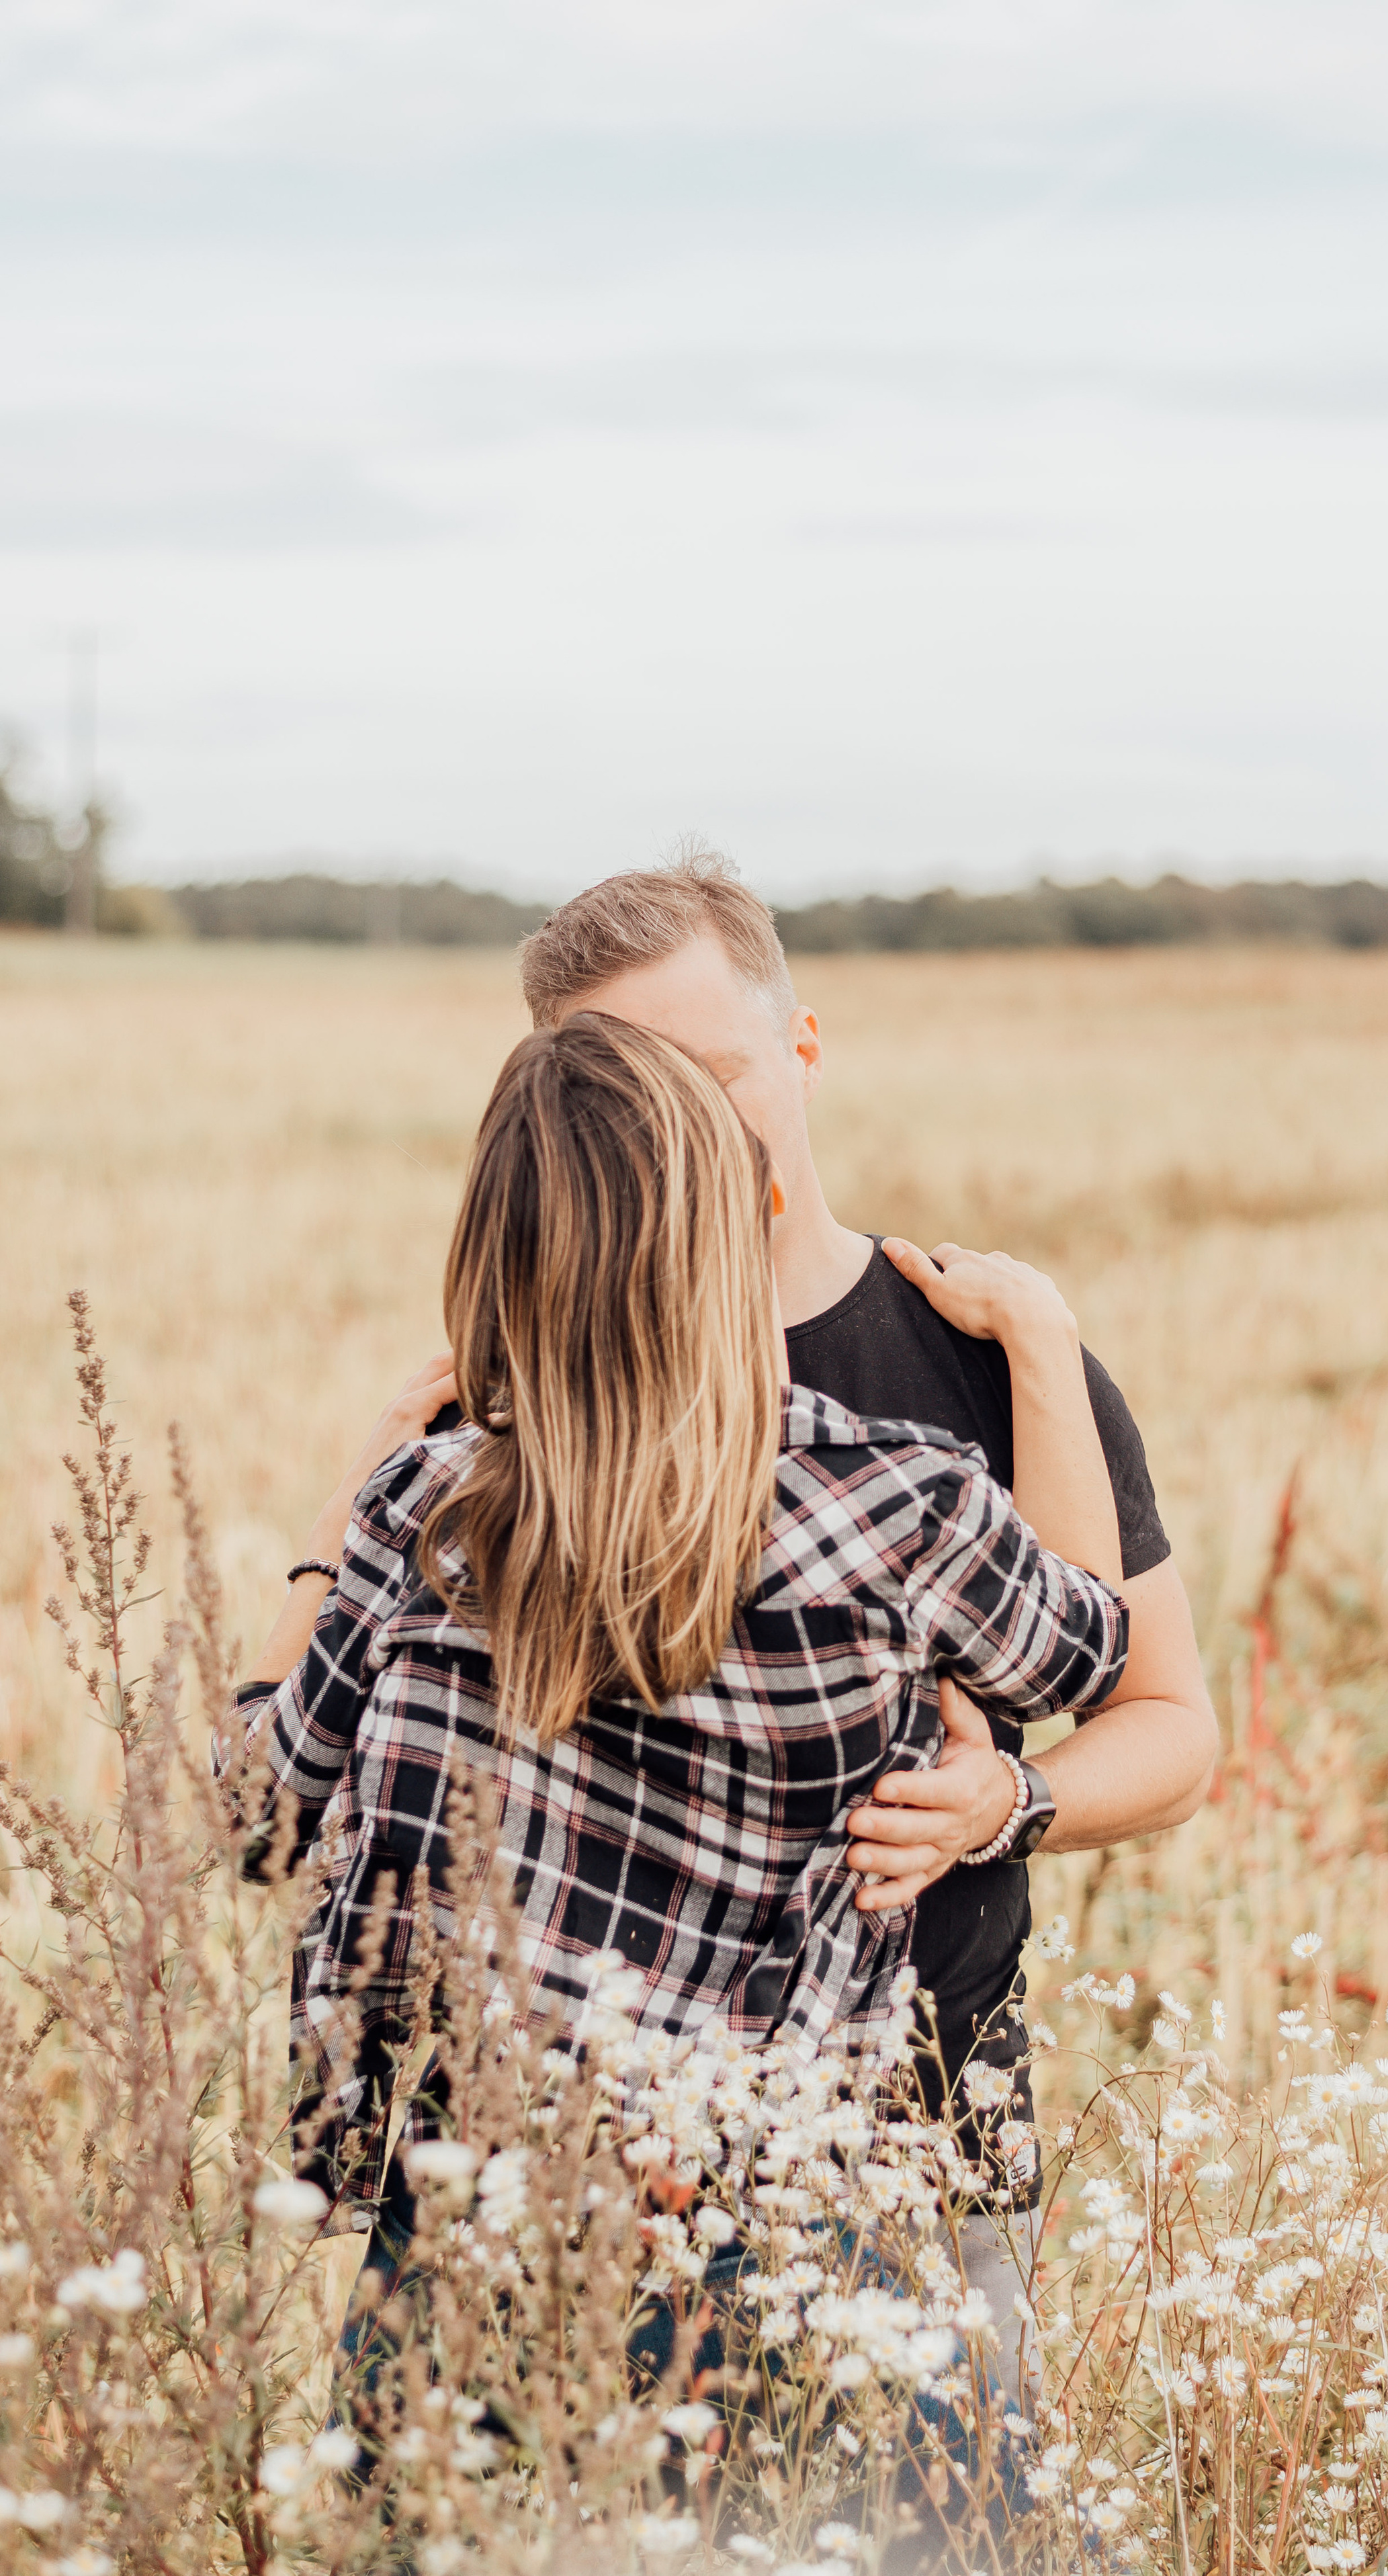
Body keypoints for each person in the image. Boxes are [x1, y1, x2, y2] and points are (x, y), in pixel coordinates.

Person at [222, 1014, 1137, 2428]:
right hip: (778, 2236)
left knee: (445, 2524)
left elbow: (254, 1813)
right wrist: (1041, 1343)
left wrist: (343, 1517)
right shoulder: (901, 1505)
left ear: (494, 1267)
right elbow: (1081, 1650)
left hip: (468, 2226)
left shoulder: (428, 1509)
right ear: (739, 1228)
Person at [513, 854, 1218, 2167]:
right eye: (633, 1095)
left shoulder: (999, 1358)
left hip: (931, 2134)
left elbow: (1165, 1723)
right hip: (587, 2163)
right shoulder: (534, 1402)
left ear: (803, 1046)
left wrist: (1003, 1801)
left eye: (716, 1073)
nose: (691, 1132)